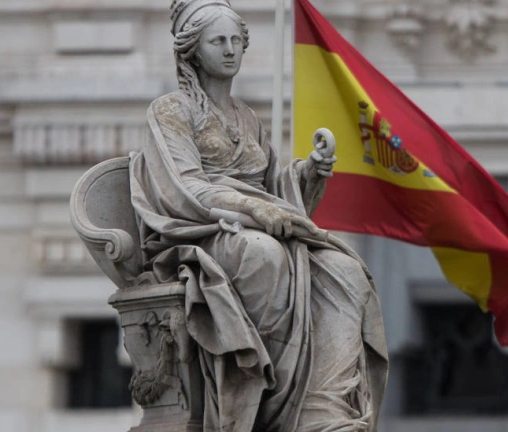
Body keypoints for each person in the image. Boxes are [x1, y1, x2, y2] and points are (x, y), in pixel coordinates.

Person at [129, 1, 388, 430]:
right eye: (218, 41)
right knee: (263, 255)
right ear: (193, 51)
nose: (230, 49)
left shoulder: (247, 117)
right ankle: (265, 402)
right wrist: (253, 208)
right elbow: (184, 188)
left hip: (255, 227)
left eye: (236, 40)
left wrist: (308, 173)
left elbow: (273, 189)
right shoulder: (170, 110)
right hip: (201, 232)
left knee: (346, 271)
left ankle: (320, 404)